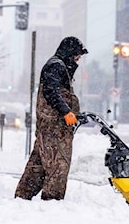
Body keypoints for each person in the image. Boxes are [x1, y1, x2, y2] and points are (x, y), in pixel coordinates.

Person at [15, 36, 88, 201]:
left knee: (38, 165)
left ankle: (22, 197)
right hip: (54, 129)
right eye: (77, 55)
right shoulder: (55, 66)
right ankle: (52, 202)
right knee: (58, 165)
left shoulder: (57, 66)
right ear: (69, 52)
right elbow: (50, 91)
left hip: (51, 128)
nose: (78, 59)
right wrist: (66, 112)